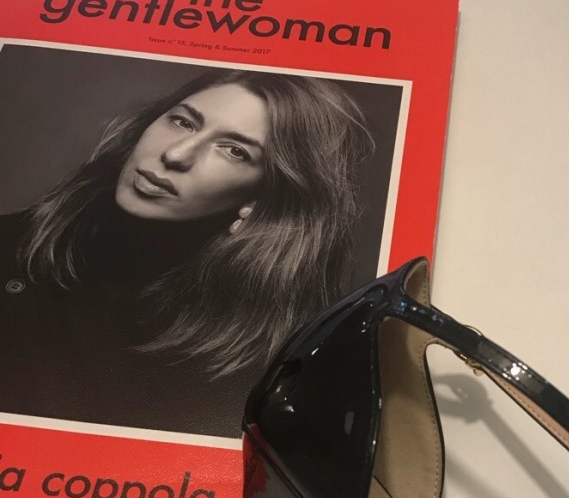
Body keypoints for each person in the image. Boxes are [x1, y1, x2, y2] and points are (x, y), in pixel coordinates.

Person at [0, 69, 374, 436]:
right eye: (183, 122)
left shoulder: (277, 353)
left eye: (235, 151)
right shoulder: (10, 243)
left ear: (266, 198)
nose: (176, 154)